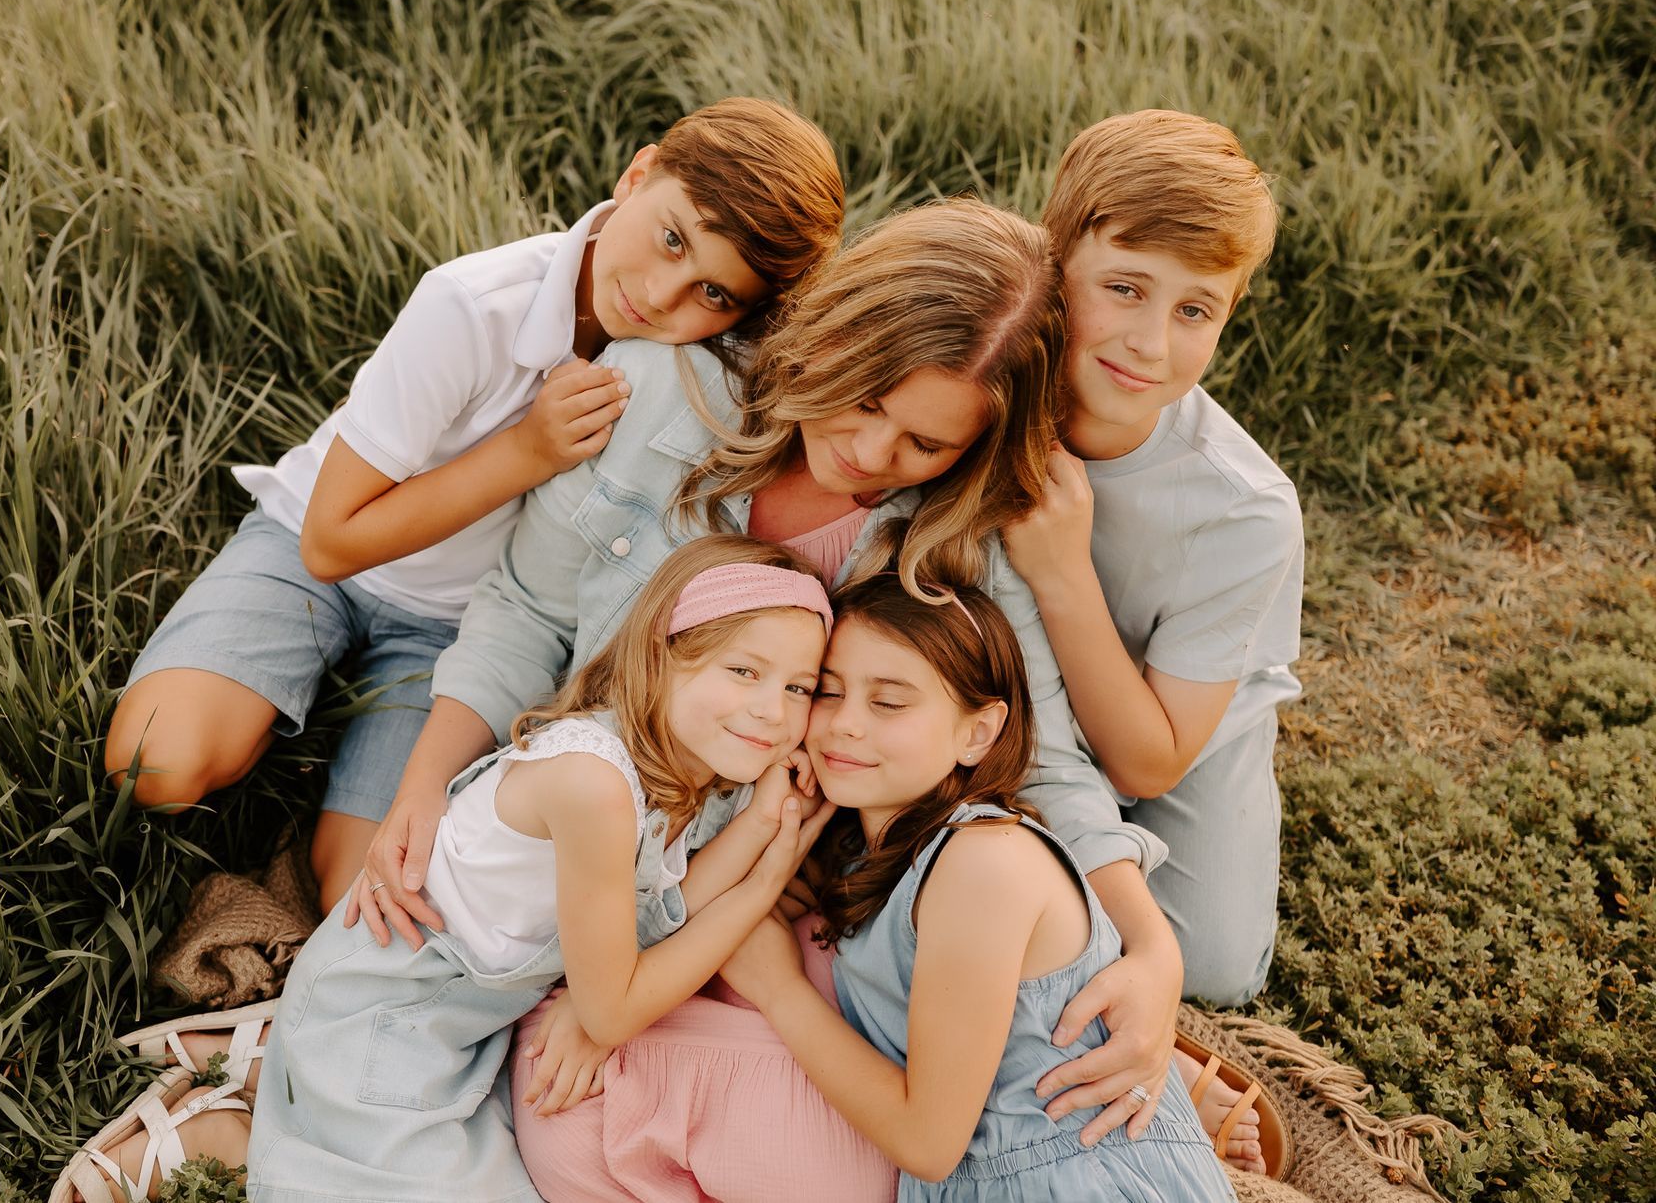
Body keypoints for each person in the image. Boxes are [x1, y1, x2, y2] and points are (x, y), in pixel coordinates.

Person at [350, 199, 1207, 1190]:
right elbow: (525, 612)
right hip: (598, 834)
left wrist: (1151, 949)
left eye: (925, 445)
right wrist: (423, 784)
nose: (874, 453)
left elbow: (1041, 755)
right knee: (432, 1004)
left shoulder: (958, 538)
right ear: (832, 336)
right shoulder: (657, 398)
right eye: (866, 398)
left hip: (764, 882)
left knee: (698, 1119)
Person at [103, 97, 844, 904]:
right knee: (156, 764)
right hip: (316, 558)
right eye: (672, 237)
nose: (665, 296)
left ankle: (315, 809)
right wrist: (526, 452)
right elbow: (330, 541)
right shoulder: (472, 302)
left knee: (374, 889)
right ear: (637, 174)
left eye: (713, 292)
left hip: (456, 629)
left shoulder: (690, 376)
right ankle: (262, 709)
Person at [56, 535, 841, 1202]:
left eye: (800, 687)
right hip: (386, 1018)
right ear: (661, 659)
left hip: (452, 1026)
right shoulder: (594, 785)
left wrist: (774, 826)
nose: (776, 712)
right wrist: (767, 886)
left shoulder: (662, 767)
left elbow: (666, 904)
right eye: (744, 672)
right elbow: (612, 1010)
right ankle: (218, 1133)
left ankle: (268, 1062)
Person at [718, 574, 1237, 1201]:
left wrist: (779, 991)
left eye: (889, 702)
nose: (845, 724)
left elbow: (928, 1144)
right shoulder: (872, 860)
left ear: (977, 732)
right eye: (828, 692)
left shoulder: (982, 862)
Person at [1001, 109, 1300, 1012]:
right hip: (1017, 682)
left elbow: (1147, 765)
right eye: (1125, 289)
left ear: (1229, 313)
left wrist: (1061, 572)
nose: (1150, 342)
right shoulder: (988, 379)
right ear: (1055, 262)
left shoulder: (1243, 512)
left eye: (1194, 310)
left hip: (1177, 721)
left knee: (1205, 969)